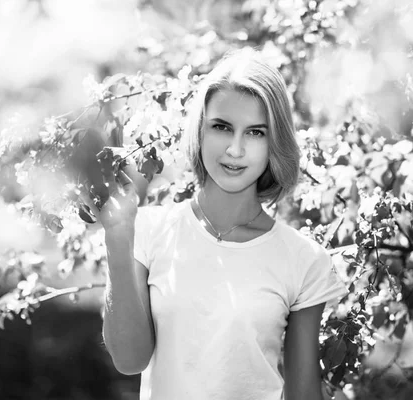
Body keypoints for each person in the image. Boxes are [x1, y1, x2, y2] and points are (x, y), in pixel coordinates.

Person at [98, 48, 349, 400]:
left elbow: (303, 392)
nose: (235, 149)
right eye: (221, 127)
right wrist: (117, 240)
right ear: (200, 130)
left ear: (275, 141)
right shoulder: (148, 230)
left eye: (256, 133)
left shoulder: (304, 259)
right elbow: (128, 360)